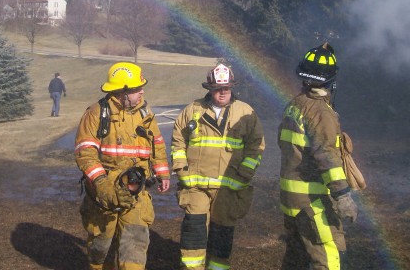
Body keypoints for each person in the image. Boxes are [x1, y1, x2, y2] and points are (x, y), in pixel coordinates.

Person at [74, 62, 170, 270]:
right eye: (136, 89)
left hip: (137, 192)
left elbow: (157, 144)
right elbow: (85, 153)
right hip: (104, 195)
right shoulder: (96, 114)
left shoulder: (145, 113)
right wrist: (102, 184)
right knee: (101, 248)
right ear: (122, 92)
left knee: (134, 247)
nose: (142, 91)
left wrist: (163, 173)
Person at [171, 63, 265, 270]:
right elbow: (178, 141)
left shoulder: (245, 112)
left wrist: (245, 174)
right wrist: (181, 169)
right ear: (210, 88)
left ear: (232, 88)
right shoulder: (192, 110)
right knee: (193, 235)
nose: (223, 93)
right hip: (196, 187)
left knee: (221, 237)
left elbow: (255, 146)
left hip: (228, 189)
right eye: (218, 88)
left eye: (227, 88)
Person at [278, 43, 358, 270]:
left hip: (290, 200)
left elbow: (284, 145)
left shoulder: (294, 105)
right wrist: (342, 195)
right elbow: (327, 156)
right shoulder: (321, 112)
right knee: (329, 257)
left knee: (296, 259)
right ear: (330, 80)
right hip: (314, 203)